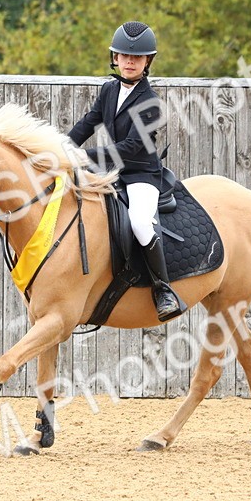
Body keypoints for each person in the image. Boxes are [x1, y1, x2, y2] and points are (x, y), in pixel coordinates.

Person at [67, 21, 188, 322]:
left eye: (137, 57)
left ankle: (163, 290)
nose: (129, 61)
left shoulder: (150, 101)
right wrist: (60, 146)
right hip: (115, 173)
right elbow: (87, 123)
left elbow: (133, 146)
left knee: (140, 223)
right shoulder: (109, 90)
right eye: (124, 55)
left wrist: (84, 156)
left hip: (141, 175)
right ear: (115, 57)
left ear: (148, 61)